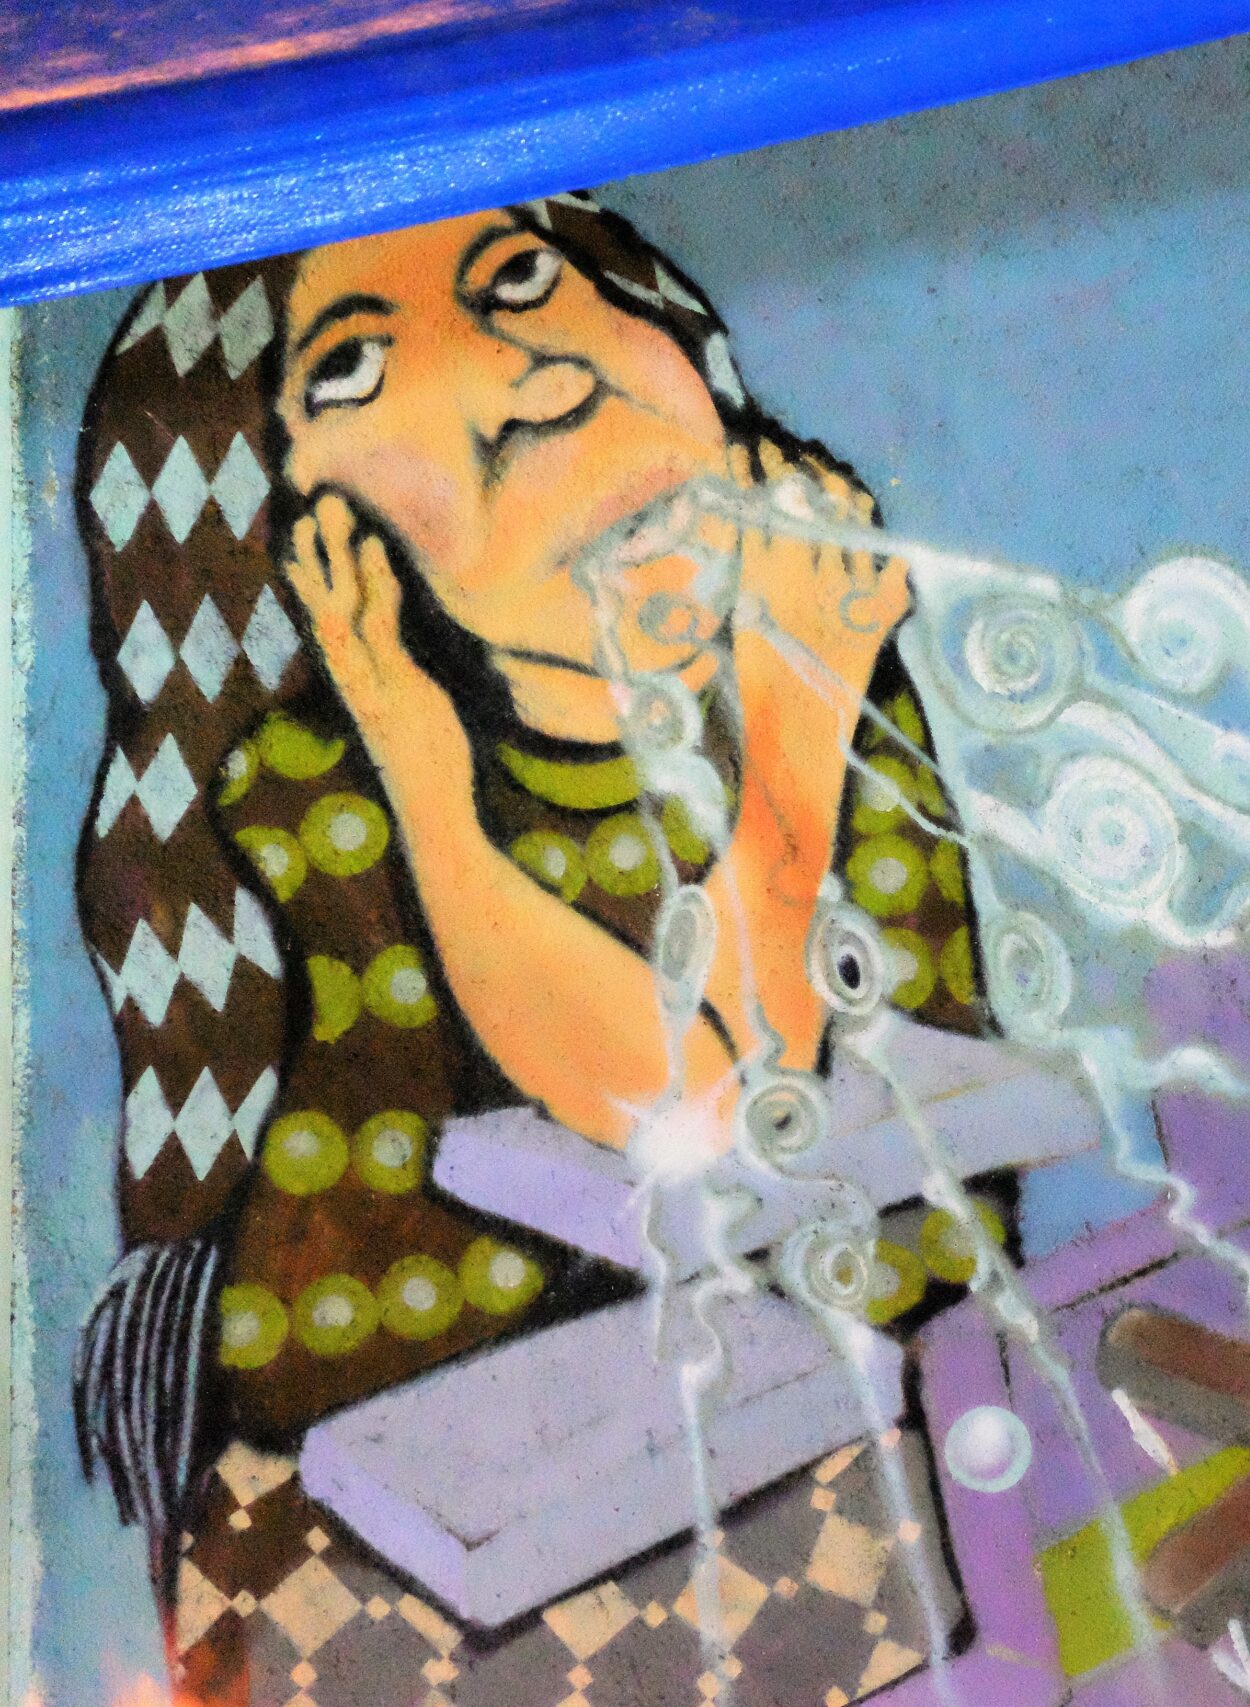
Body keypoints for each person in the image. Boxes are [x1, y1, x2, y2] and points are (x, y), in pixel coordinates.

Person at [73, 196, 1002, 1707]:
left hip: (791, 1472)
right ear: (302, 530)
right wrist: (442, 775)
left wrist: (802, 703)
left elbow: (906, 1179)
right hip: (379, 1560)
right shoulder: (334, 773)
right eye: (354, 367)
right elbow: (695, 1099)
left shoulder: (819, 658)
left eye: (522, 277)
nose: (524, 378)